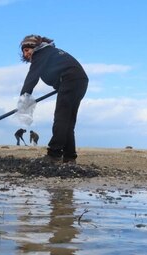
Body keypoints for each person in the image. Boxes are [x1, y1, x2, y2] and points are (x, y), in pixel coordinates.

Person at [18, 35, 88, 164]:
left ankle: (54, 154)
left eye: (27, 50)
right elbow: (59, 69)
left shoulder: (40, 53)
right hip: (80, 81)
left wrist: (23, 99)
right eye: (23, 52)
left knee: (61, 118)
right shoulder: (51, 52)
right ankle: (69, 157)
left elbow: (32, 78)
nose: (26, 54)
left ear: (34, 46)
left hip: (70, 80)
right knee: (68, 121)